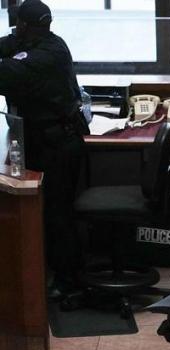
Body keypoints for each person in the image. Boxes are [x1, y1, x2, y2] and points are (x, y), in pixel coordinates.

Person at [0, 0, 87, 298]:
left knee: (57, 215)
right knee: (52, 214)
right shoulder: (44, 41)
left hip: (57, 145)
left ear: (24, 25)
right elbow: (8, 45)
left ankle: (67, 283)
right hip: (47, 141)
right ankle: (60, 274)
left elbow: (6, 72)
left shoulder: (47, 55)